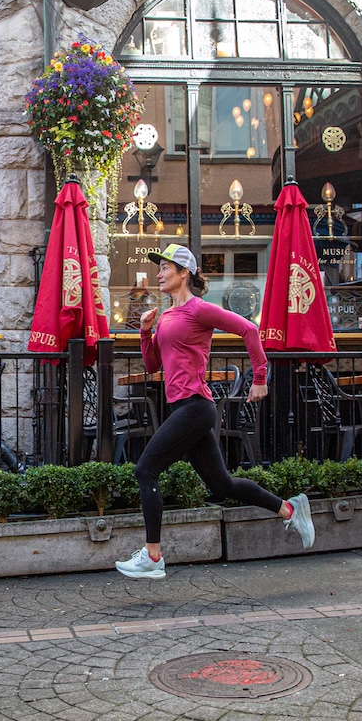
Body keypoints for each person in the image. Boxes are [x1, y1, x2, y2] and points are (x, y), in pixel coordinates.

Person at [115, 243, 315, 580]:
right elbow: (152, 366)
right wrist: (145, 331)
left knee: (145, 470)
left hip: (196, 407)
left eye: (165, 268)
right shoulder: (166, 316)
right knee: (221, 483)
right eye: (159, 268)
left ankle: (152, 555)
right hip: (184, 407)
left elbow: (249, 330)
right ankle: (289, 508)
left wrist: (260, 377)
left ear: (185, 273)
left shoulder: (199, 310)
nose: (159, 274)